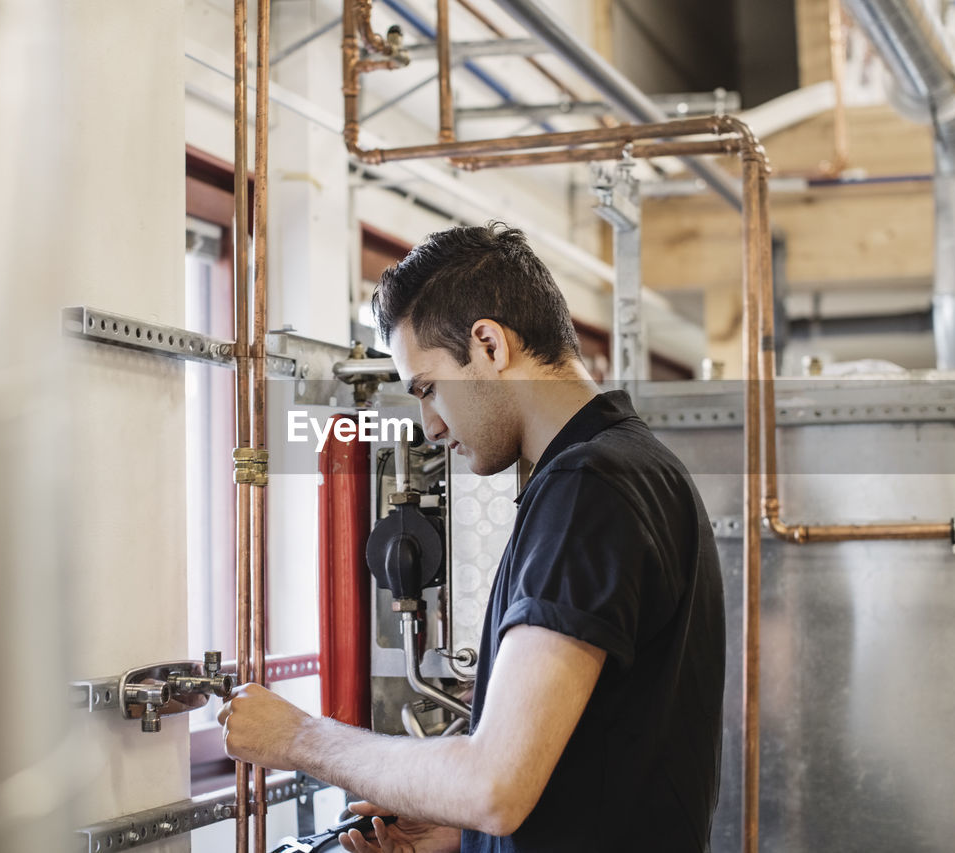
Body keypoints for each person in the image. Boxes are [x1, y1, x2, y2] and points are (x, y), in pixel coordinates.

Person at [218, 223, 726, 852]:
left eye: (429, 388)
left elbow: (495, 785)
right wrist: (467, 836)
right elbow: (606, 757)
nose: (429, 425)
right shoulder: (635, 467)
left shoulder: (589, 487)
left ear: (488, 344)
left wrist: (296, 738)